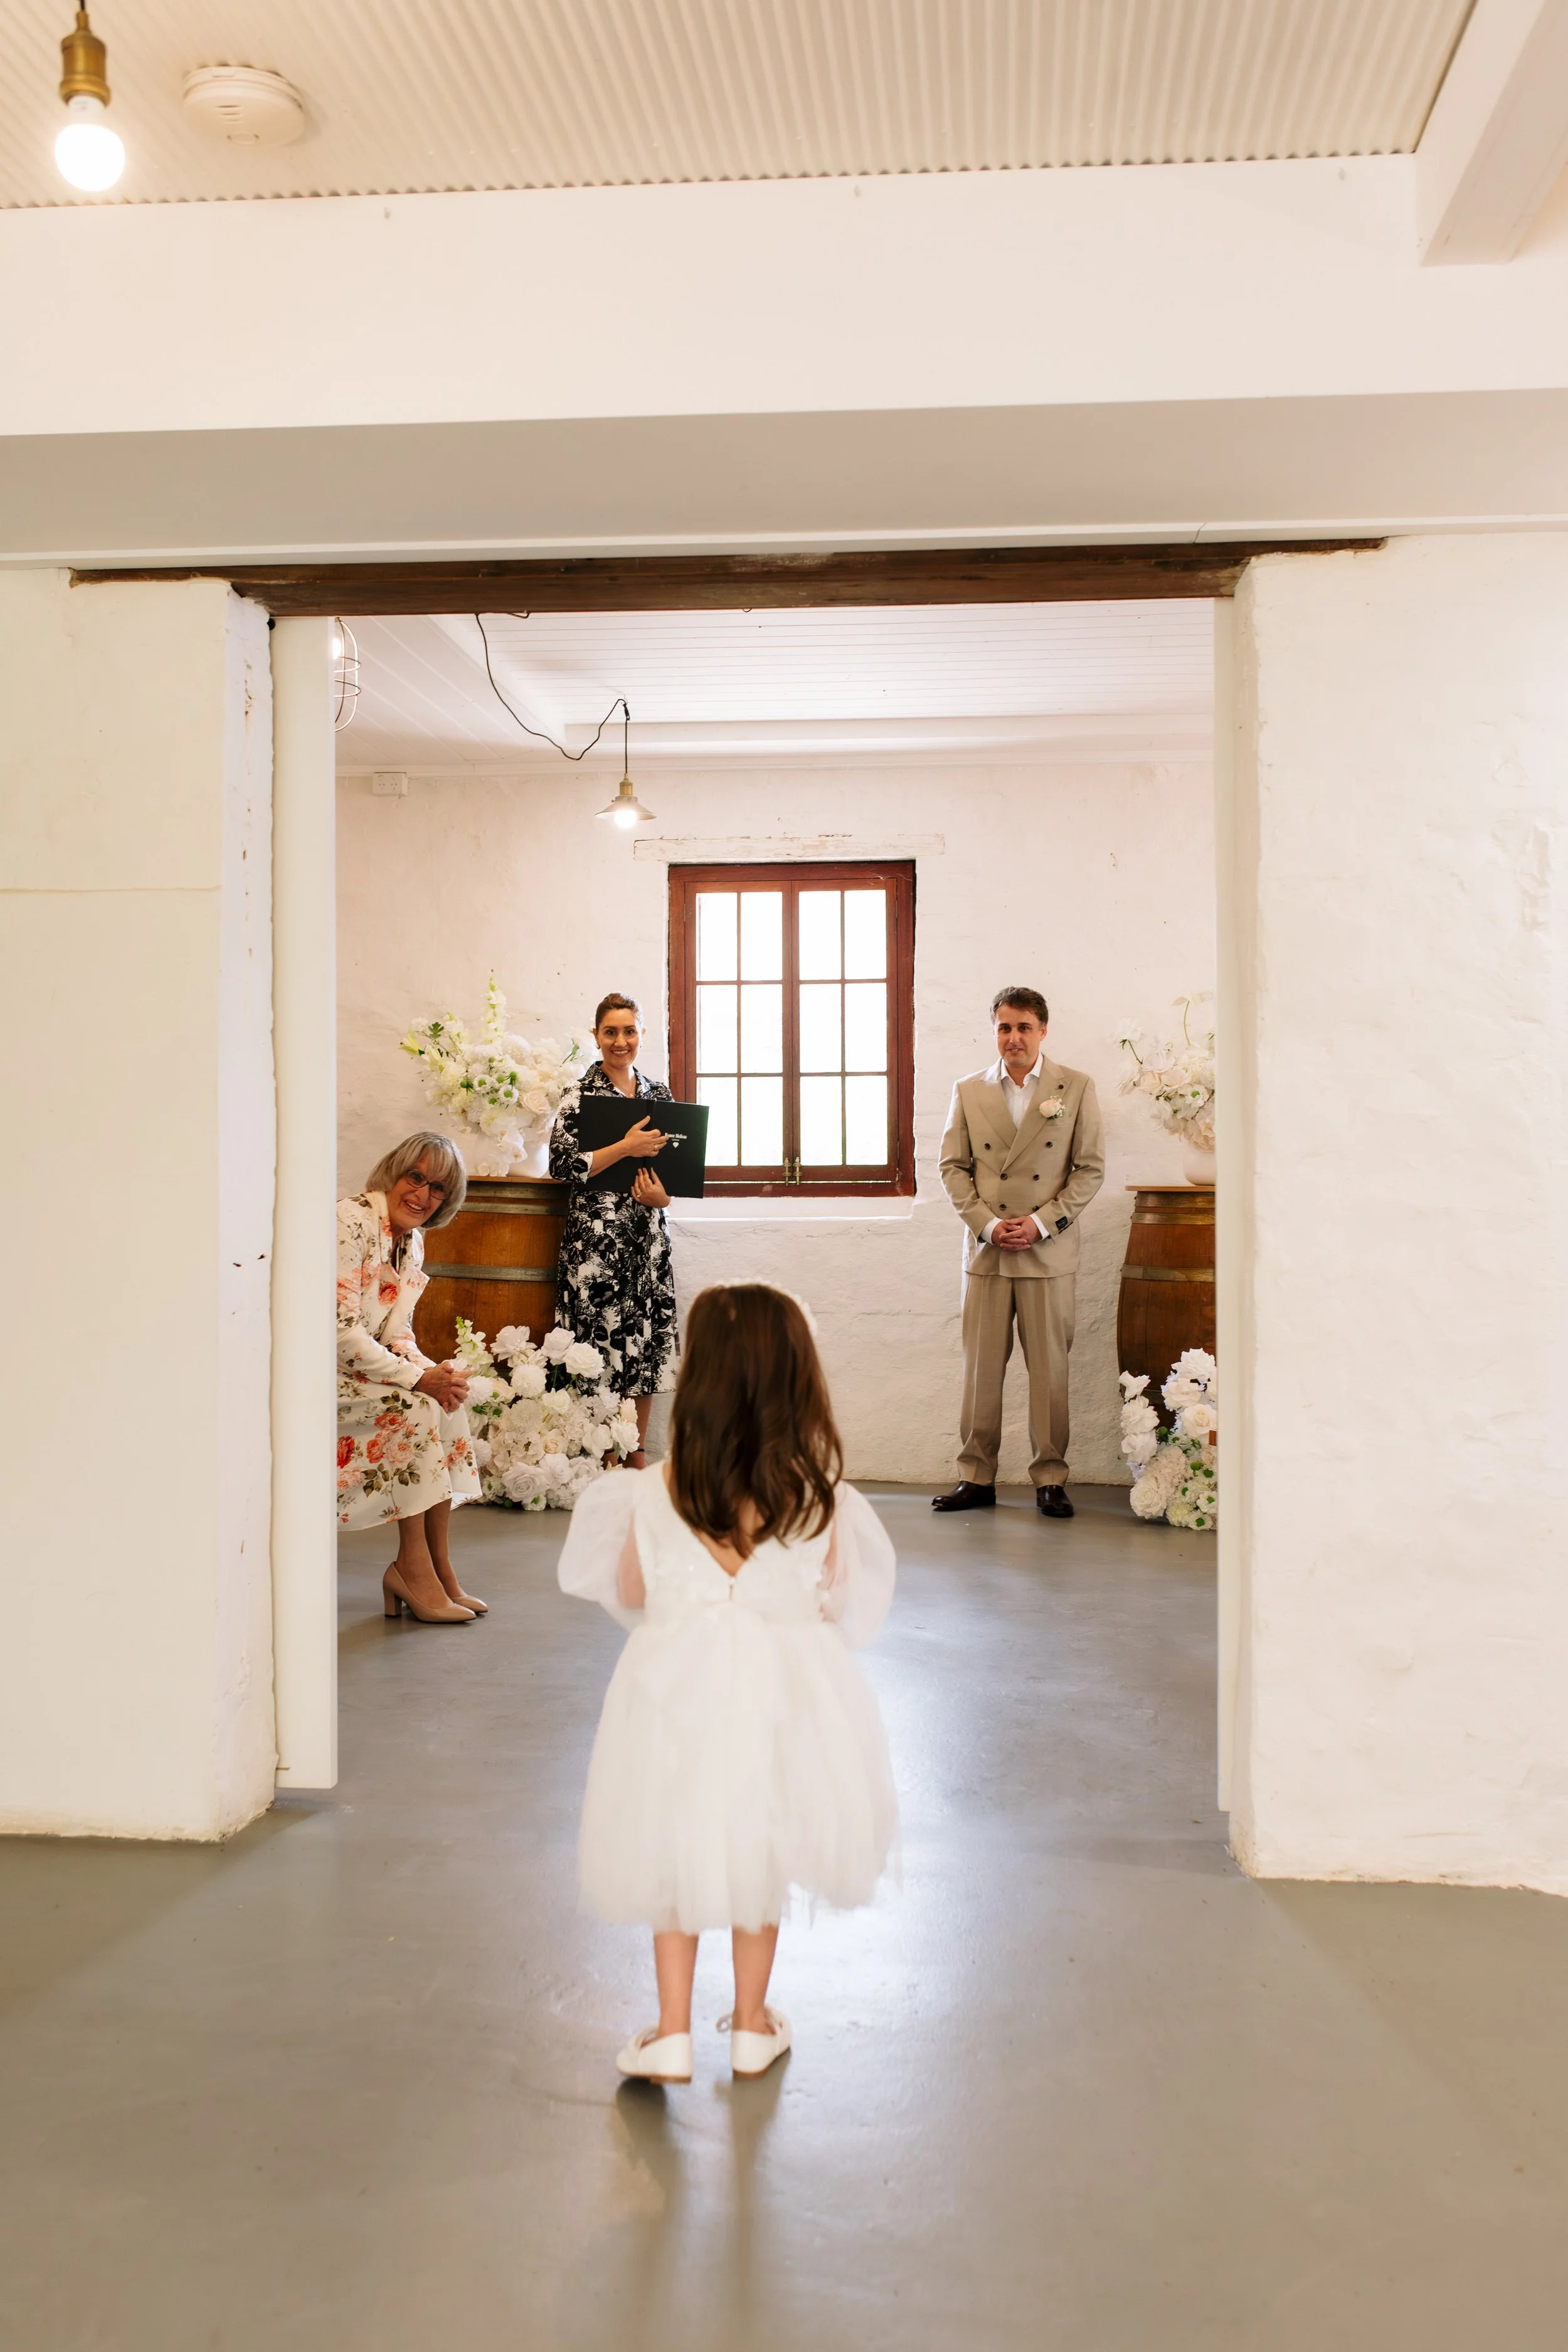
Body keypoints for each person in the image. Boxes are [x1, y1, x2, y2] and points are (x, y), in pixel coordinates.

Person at [557, 1283, 898, 2084]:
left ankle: (671, 2031)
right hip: (785, 1692)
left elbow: (635, 1592)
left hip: (673, 1690)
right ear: (798, 1380)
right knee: (761, 1845)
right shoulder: (820, 1497)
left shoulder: (652, 1490)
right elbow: (839, 1598)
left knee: (673, 1844)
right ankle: (750, 2025)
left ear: (698, 1377)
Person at [934, 988, 1105, 1520]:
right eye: (1004, 1028)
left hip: (1046, 1252)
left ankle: (1050, 1478)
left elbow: (1090, 1169)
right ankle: (976, 1476)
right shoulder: (968, 1089)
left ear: (1043, 1030)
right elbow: (952, 1168)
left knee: (1050, 1372)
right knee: (981, 1371)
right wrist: (987, 1226)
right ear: (994, 1031)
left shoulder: (1074, 1087)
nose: (1013, 1038)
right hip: (987, 1252)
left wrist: (1038, 1223)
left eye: (1024, 1027)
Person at [337, 1132, 485, 1624]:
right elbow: (339, 1334)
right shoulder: (350, 1221)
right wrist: (417, 1382)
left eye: (438, 1188)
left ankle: (439, 1567)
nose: (423, 1195)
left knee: (445, 1401)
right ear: (393, 1173)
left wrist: (432, 1373)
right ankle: (411, 1567)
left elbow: (396, 1331)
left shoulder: (411, 1240)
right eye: (415, 1177)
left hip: (360, 1373)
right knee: (416, 1405)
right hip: (318, 1375)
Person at [549, 992, 679, 1466]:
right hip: (595, 1244)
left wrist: (662, 1198)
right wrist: (625, 1147)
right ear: (597, 1036)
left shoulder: (659, 1095)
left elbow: (675, 1172)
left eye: (629, 1031)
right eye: (611, 1032)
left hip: (647, 1240)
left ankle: (635, 1449)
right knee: (599, 1343)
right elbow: (561, 1165)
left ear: (641, 1035)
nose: (620, 1041)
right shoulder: (579, 1095)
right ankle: (600, 1450)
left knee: (644, 1343)